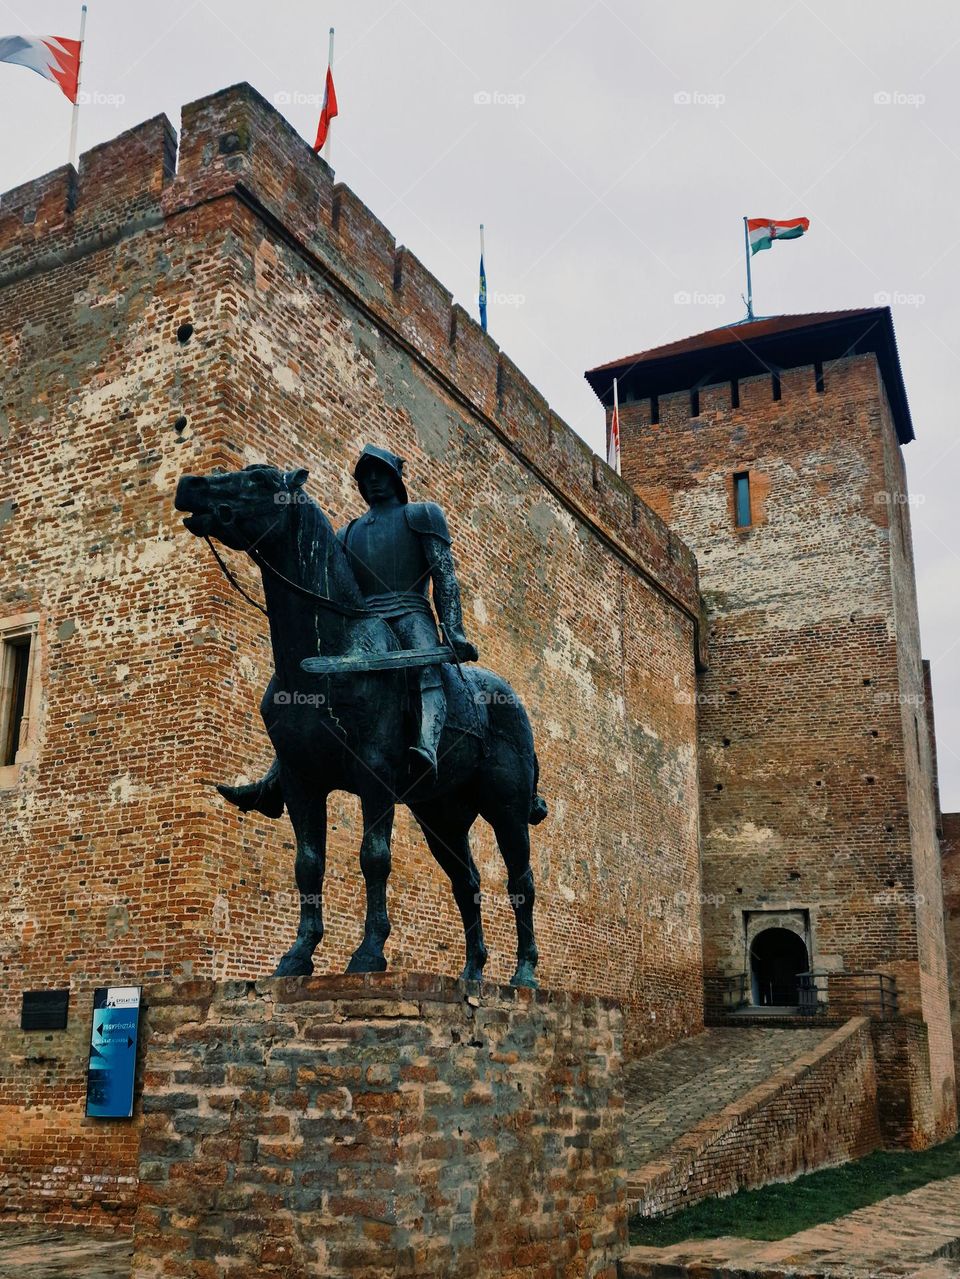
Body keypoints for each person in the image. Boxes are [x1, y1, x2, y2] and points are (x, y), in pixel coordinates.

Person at [218, 445, 478, 817]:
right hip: (364, 621)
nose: (372, 480)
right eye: (365, 476)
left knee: (426, 669)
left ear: (394, 477)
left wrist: (453, 628)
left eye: (379, 473)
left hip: (410, 612)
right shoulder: (348, 532)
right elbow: (337, 586)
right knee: (303, 691)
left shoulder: (422, 515)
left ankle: (427, 744)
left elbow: (444, 575)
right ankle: (278, 776)